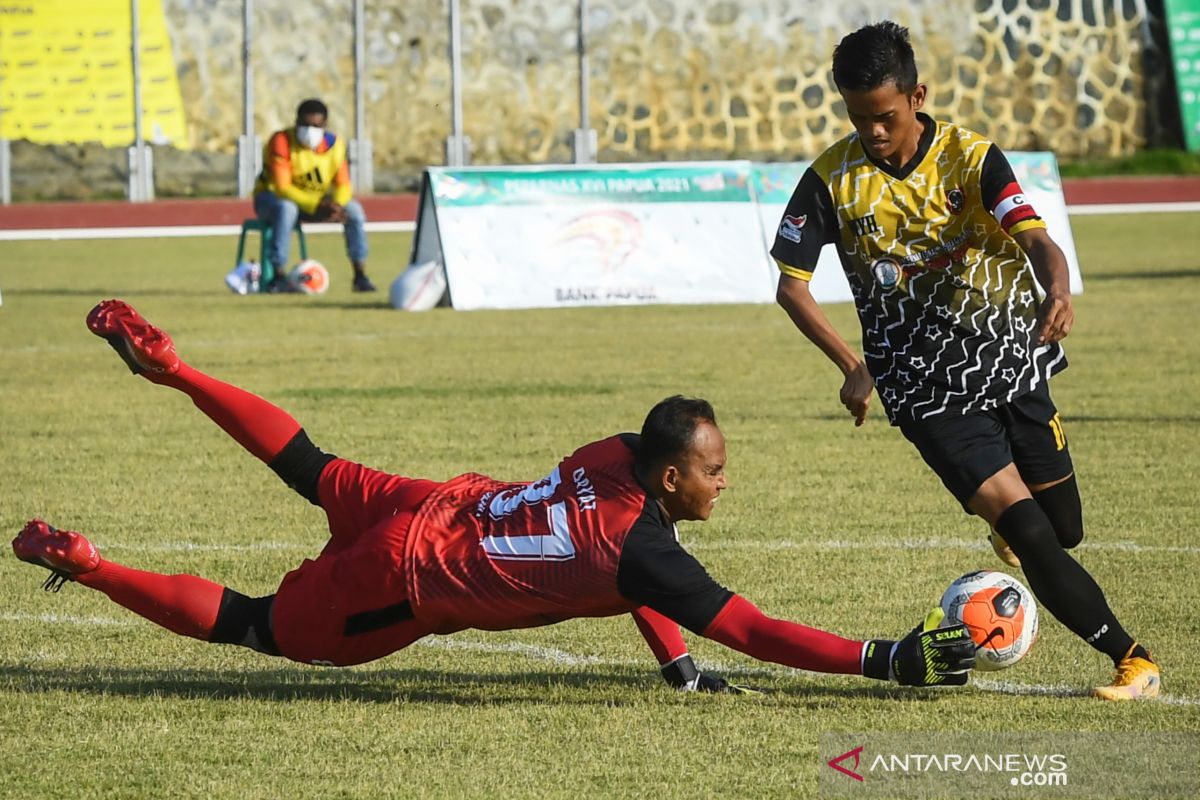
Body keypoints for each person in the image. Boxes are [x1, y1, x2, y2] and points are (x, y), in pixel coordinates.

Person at [12, 299, 976, 694]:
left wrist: (676, 668)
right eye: (715, 471)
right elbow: (754, 630)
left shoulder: (617, 451)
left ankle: (176, 368)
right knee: (260, 630)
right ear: (670, 479)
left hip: (438, 503)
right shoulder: (647, 548)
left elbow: (636, 581)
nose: (728, 482)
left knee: (307, 461)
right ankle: (93, 567)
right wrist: (886, 659)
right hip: (410, 569)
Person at [770, 21, 1158, 700]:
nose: (874, 133)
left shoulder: (971, 157)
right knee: (1033, 532)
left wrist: (1057, 290)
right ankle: (1134, 660)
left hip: (1012, 363)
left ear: (917, 95)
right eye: (859, 118)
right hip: (924, 393)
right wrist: (850, 363)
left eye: (886, 117)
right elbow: (791, 286)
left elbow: (1035, 239)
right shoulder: (831, 180)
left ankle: (1016, 537)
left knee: (1064, 530)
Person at [253, 98, 376, 293]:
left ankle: (360, 274)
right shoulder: (282, 141)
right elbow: (282, 188)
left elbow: (344, 185)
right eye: (305, 125)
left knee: (354, 210)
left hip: (317, 203)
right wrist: (316, 205)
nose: (310, 131)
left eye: (316, 126)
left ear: (325, 125)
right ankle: (277, 275)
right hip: (272, 200)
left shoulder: (335, 145)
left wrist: (336, 204)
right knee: (287, 208)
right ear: (296, 122)